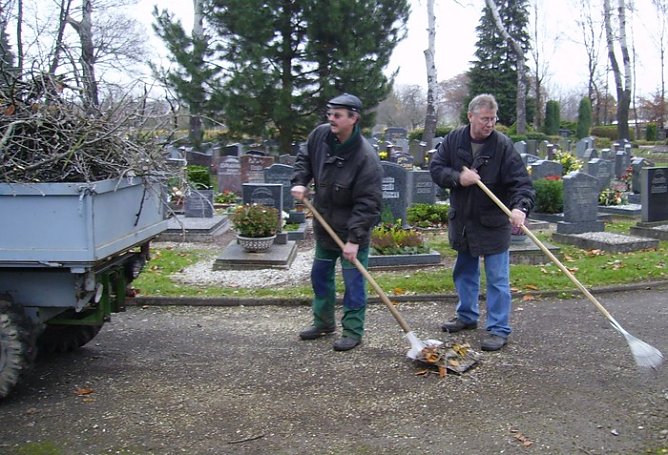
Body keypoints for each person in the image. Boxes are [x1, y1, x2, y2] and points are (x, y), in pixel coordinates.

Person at [429, 94, 535, 351]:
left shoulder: (502, 145)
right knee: (464, 272)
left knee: (498, 278)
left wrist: (520, 208)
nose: (490, 124)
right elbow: (436, 168)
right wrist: (457, 177)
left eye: (493, 119)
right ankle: (466, 316)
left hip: (492, 223)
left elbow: (521, 183)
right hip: (463, 221)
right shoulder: (454, 140)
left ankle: (499, 329)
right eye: (485, 119)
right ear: (471, 116)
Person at [290, 93, 383, 352]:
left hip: (352, 232)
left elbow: (369, 205)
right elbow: (304, 157)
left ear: (353, 119)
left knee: (353, 283)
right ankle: (323, 322)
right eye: (330, 113)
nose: (331, 119)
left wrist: (354, 240)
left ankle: (353, 331)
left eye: (337, 115)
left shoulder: (366, 158)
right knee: (320, 275)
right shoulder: (320, 136)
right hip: (325, 223)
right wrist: (300, 180)